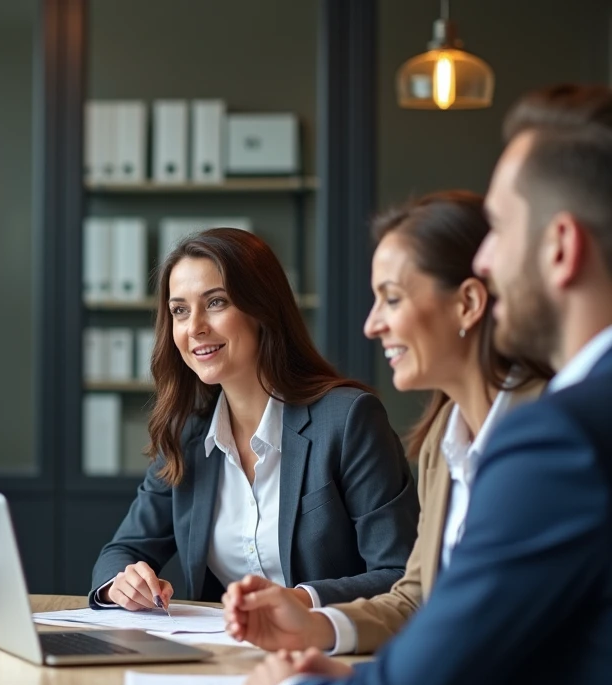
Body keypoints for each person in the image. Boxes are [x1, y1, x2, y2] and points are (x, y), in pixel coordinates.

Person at [213, 84, 612, 685]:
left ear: (559, 247)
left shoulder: (558, 441)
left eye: (500, 229)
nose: (487, 261)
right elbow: (438, 609)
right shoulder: (449, 440)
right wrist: (322, 629)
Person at [220, 191, 551, 654]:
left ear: (468, 304)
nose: (372, 325)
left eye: (391, 299)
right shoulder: (445, 438)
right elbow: (415, 599)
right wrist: (315, 627)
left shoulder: (552, 431)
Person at [89, 228, 418, 612]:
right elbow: (123, 550)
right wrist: (122, 584)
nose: (194, 327)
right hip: (220, 654)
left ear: (262, 310)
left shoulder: (348, 420)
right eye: (179, 310)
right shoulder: (187, 434)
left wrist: (300, 601)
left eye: (216, 302)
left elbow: (400, 574)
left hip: (332, 654)